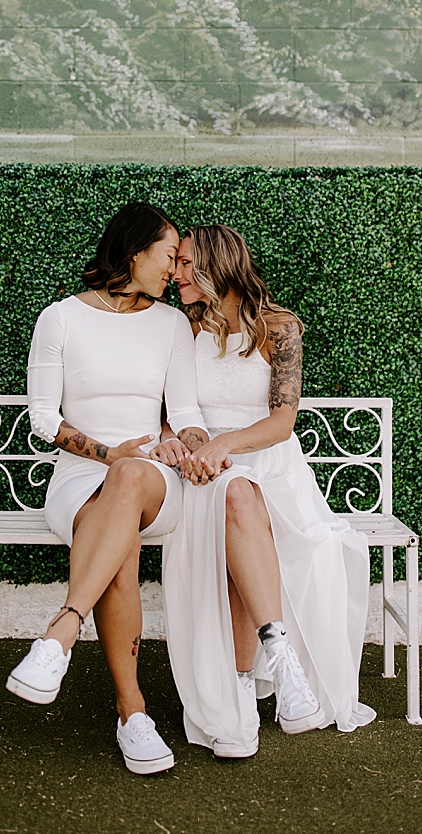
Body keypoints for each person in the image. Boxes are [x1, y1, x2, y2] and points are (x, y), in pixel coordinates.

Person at [154, 224, 374, 758]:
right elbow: (167, 413)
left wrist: (223, 446)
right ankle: (272, 667)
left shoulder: (280, 328)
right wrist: (179, 446)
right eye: (175, 264)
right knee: (232, 497)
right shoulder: (182, 328)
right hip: (202, 473)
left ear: (217, 266)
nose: (175, 274)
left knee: (241, 499)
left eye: (185, 264)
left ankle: (244, 688)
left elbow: (282, 421)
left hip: (269, 470)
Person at [8, 202, 209, 775]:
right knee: (116, 544)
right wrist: (105, 452)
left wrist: (191, 442)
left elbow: (187, 411)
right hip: (80, 480)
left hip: (153, 480)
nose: (175, 270)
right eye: (169, 256)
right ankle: (132, 713)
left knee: (128, 479)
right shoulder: (60, 319)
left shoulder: (171, 324)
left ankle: (61, 632)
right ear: (134, 251)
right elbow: (43, 418)